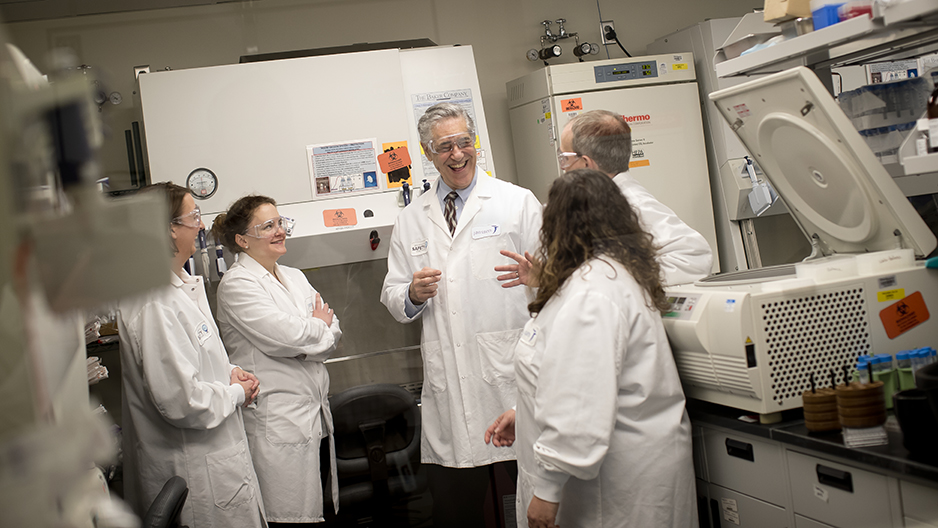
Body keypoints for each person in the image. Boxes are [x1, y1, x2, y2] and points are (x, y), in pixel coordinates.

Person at [485, 169, 697, 528]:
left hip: (615, 486)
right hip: (620, 471)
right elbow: (576, 375)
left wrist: (547, 491)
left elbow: (580, 401)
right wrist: (527, 413)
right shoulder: (602, 276)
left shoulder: (593, 293)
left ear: (557, 228)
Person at [380, 102, 542, 526]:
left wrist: (539, 275)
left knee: (536, 503)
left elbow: (559, 280)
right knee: (455, 513)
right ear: (427, 152)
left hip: (510, 381)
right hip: (449, 387)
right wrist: (412, 294)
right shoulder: (413, 219)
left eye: (464, 142)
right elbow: (394, 296)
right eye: (444, 146)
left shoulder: (516, 202)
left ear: (476, 144)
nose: (457, 154)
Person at [117, 182, 266, 527]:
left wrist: (228, 372)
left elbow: (195, 360)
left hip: (214, 465)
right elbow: (181, 401)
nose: (201, 224)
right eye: (193, 216)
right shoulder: (154, 300)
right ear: (167, 229)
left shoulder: (179, 287)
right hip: (196, 475)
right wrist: (235, 392)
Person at [213, 195, 342, 525]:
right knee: (287, 518)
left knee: (318, 512)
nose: (279, 230)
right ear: (242, 240)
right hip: (277, 421)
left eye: (280, 223)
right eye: (267, 225)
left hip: (314, 418)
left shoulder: (295, 276)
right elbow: (285, 336)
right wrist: (313, 332)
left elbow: (334, 331)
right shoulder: (237, 284)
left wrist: (309, 339)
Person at [558, 109, 712, 286]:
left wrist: (620, 279)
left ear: (586, 163)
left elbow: (695, 257)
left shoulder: (632, 203)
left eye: (565, 158)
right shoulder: (601, 202)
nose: (563, 167)